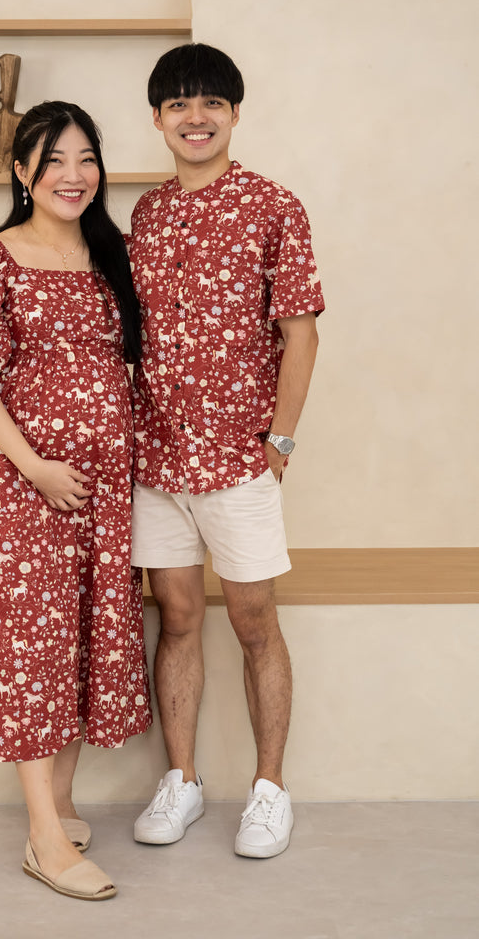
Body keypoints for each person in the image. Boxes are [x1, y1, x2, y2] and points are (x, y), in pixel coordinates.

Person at [0, 100, 152, 901]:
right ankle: (43, 840)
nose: (72, 174)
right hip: (28, 491)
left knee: (83, 636)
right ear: (22, 172)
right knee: (32, 649)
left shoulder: (110, 254)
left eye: (86, 157)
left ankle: (59, 801)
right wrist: (36, 467)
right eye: (53, 159)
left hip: (104, 493)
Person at [128, 44, 325, 858]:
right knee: (176, 619)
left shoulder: (273, 206)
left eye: (211, 101)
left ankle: (269, 790)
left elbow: (300, 333)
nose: (196, 117)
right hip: (155, 464)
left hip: (238, 462)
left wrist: (278, 440)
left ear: (235, 113)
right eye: (178, 104)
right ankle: (181, 781)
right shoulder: (145, 215)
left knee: (252, 623)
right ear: (157, 119)